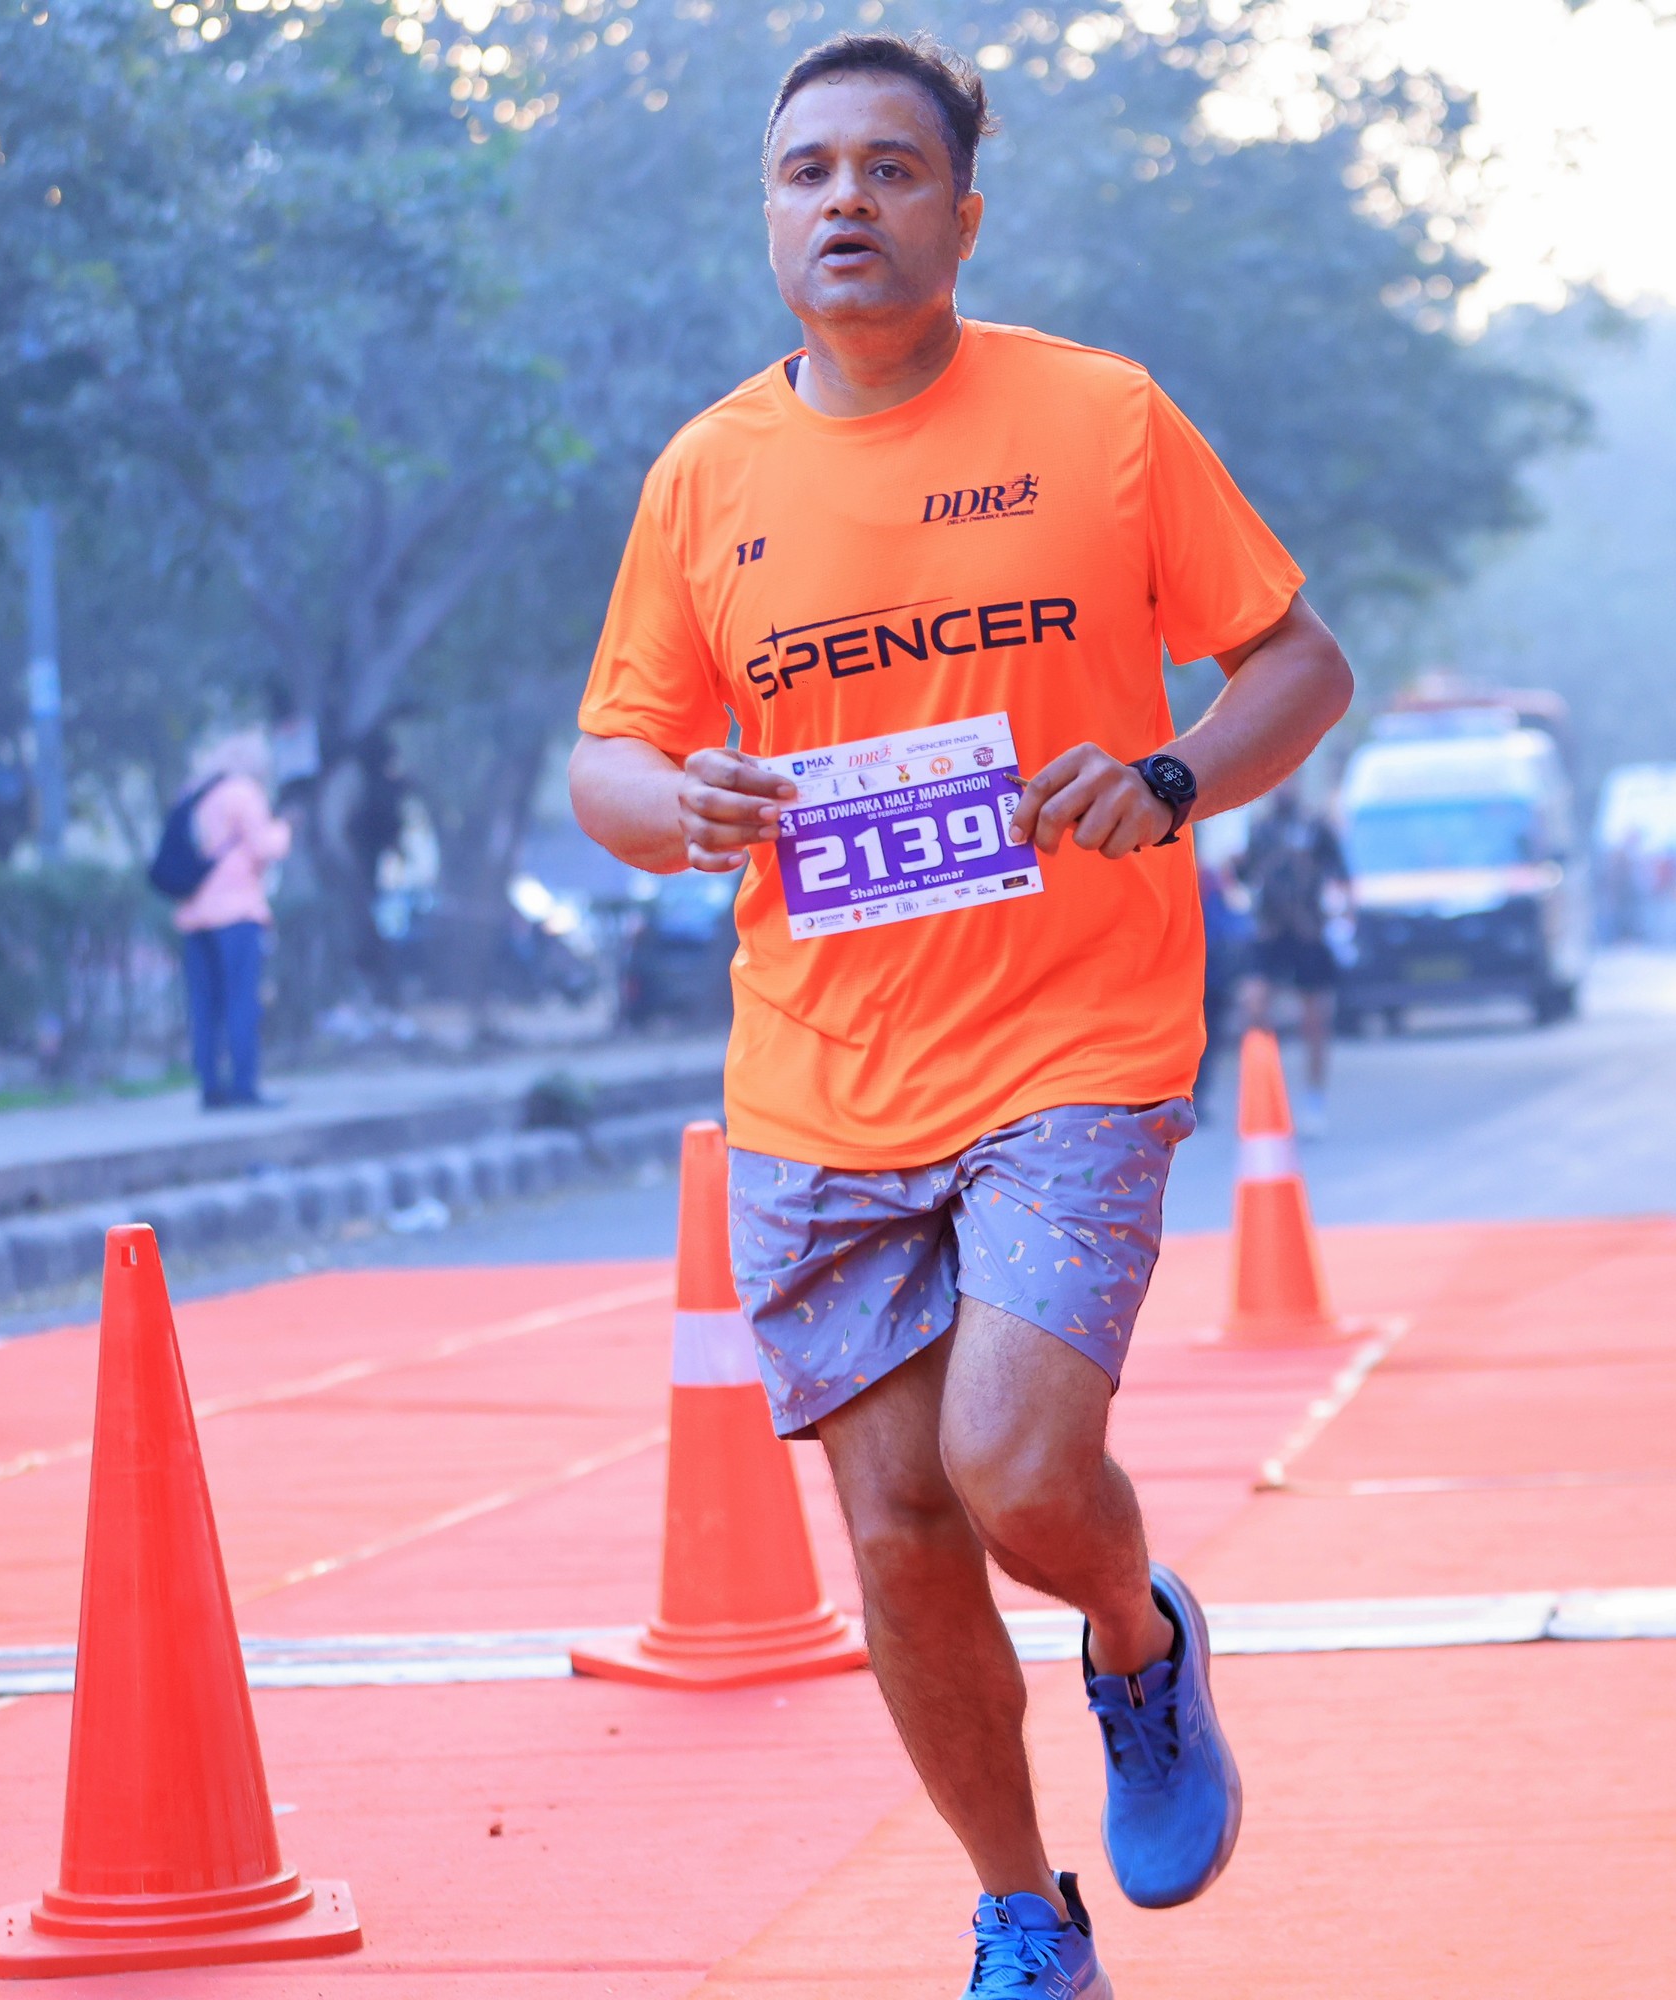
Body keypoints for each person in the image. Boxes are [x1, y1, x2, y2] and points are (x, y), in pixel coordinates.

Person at [567, 35, 1354, 1997]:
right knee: (904, 1532)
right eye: (806, 170)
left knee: (1015, 1471)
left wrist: (1170, 777)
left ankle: (1138, 1643)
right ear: (769, 214)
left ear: (964, 214)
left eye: (891, 168)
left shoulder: (1100, 418)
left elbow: (1298, 664)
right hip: (817, 1074)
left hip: (1074, 1037)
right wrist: (678, 805)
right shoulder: (706, 474)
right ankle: (1022, 1910)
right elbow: (609, 757)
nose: (844, 198)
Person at [172, 731, 292, 1110]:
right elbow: (265, 846)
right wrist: (284, 828)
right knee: (241, 1000)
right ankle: (244, 1085)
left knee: (204, 1004)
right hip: (237, 911)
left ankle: (210, 1086)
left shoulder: (194, 794)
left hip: (194, 914)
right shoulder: (243, 792)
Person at [1230, 785, 1352, 1129]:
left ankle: (1314, 1099)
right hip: (1270, 932)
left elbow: (1341, 876)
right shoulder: (1260, 829)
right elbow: (1244, 875)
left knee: (1315, 1022)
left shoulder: (1316, 827)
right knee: (1253, 1006)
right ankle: (1265, 1090)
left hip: (1308, 932)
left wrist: (1342, 920)